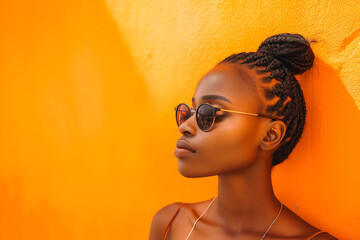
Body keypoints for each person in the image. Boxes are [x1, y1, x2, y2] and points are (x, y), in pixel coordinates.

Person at [149, 33, 338, 240]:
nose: (185, 126)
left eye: (208, 113)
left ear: (270, 134)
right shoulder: (170, 223)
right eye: (190, 112)